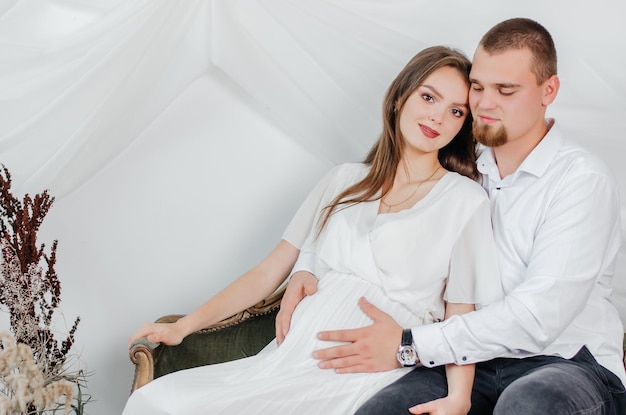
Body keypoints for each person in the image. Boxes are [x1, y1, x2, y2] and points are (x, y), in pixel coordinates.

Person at [122, 45, 504, 414]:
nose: (438, 117)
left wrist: (459, 398)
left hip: (368, 370)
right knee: (161, 403)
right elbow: (268, 272)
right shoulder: (343, 180)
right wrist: (183, 327)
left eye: (456, 111)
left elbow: (461, 314)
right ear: (399, 98)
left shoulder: (464, 200)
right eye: (428, 97)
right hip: (289, 362)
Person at [278, 17, 626, 414]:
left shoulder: (581, 180)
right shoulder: (459, 169)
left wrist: (410, 344)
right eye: (477, 87)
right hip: (462, 361)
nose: (484, 103)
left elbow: (538, 318)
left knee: (528, 404)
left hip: (565, 363)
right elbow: (363, 205)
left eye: (505, 90)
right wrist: (307, 265)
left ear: (549, 90)